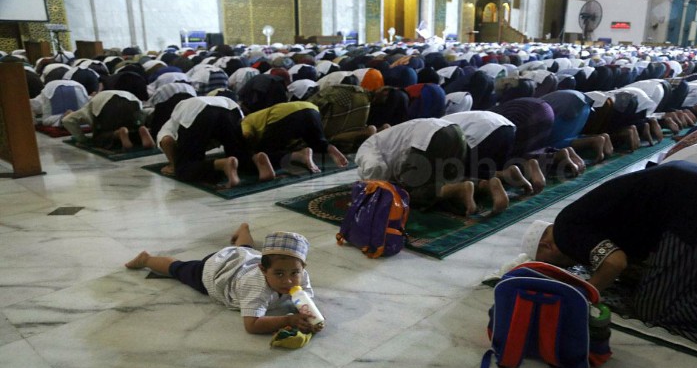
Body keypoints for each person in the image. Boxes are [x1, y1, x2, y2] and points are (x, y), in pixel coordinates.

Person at [521, 161, 697, 358]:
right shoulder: (578, 221)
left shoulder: (566, 230)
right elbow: (630, 260)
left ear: (547, 244)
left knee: (654, 306)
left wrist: (581, 298)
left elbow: (614, 263)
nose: (566, 268)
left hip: (692, 203)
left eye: (555, 265)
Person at [125, 226, 321, 335]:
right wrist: (288, 320)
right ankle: (147, 258)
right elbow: (251, 325)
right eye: (279, 274)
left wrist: (310, 317)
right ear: (263, 270)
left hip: (245, 257)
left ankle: (243, 229)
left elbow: (305, 302)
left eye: (294, 273)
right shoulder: (256, 286)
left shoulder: (299, 276)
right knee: (178, 269)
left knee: (244, 247)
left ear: (302, 268)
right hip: (217, 270)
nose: (288, 281)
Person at [355, 117, 509, 215]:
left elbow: (373, 169)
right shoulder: (385, 138)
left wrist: (373, 190)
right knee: (449, 180)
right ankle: (485, 185)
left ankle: (460, 189)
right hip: (454, 132)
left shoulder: (367, 146)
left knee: (408, 192)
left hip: (428, 138)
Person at [157, 96, 274, 185]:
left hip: (198, 112)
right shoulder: (191, 104)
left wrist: (174, 165)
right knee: (239, 154)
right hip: (231, 108)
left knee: (184, 169)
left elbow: (166, 140)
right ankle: (256, 161)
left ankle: (223, 164)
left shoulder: (168, 126)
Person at [240, 100, 350, 173]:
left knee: (264, 154)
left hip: (283, 115)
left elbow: (246, 134)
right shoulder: (259, 114)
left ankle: (299, 155)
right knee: (317, 142)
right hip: (311, 109)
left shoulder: (246, 120)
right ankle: (330, 148)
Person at [62, 90, 155, 150]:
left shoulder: (87, 107)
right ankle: (141, 131)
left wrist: (82, 139)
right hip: (133, 104)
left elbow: (67, 120)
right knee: (132, 126)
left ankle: (118, 133)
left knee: (99, 136)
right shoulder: (116, 92)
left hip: (108, 107)